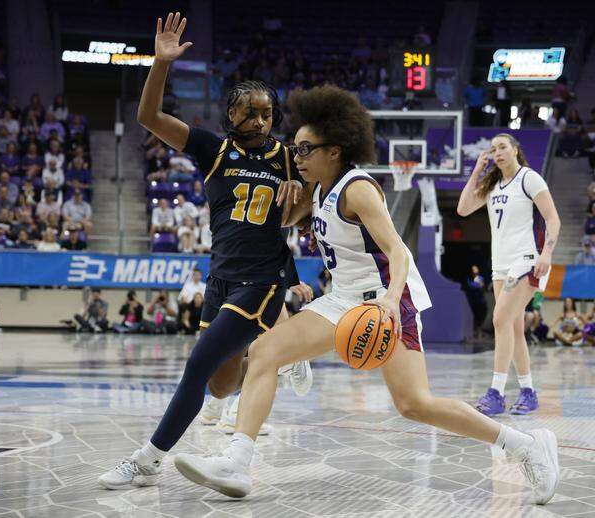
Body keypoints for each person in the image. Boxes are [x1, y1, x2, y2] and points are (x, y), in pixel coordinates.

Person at [172, 84, 560, 506]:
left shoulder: (358, 188)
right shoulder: (316, 188)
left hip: (386, 299)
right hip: (343, 299)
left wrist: (392, 301)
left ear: (334, 150)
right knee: (265, 351)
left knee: (414, 405)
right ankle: (237, 461)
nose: (295, 157)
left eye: (304, 150)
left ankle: (524, 444)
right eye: (296, 150)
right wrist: (283, 195)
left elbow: (397, 250)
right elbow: (267, 219)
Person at [98, 12, 312, 490]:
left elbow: (302, 217)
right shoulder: (213, 150)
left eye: (267, 113)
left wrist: (301, 202)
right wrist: (160, 64)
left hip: (262, 280)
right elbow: (148, 117)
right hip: (220, 278)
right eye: (250, 111)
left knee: (195, 365)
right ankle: (277, 352)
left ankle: (148, 459)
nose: (260, 119)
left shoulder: (287, 157)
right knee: (218, 384)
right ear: (231, 114)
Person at [458, 134, 561, 416]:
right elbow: (463, 208)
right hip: (500, 265)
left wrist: (547, 254)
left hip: (528, 259)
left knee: (500, 318)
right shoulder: (492, 184)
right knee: (512, 328)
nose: (497, 152)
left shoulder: (529, 178)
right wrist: (478, 170)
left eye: (502, 147)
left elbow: (553, 218)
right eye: (493, 149)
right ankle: (528, 392)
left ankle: (496, 392)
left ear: (515, 150)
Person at [466, 265, 488, 337]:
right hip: (472, 300)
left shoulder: (480, 278)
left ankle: (478, 330)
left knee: (480, 315)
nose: (475, 271)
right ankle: (473, 331)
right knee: (472, 315)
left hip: (480, 300)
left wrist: (480, 286)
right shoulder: (469, 279)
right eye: (473, 269)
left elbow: (482, 287)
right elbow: (469, 286)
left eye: (476, 269)